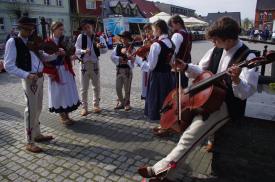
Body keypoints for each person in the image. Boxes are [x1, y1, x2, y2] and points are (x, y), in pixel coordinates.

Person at [138, 17, 259, 181]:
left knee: (190, 135)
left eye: (216, 40)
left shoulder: (248, 56)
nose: (213, 43)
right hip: (206, 98)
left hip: (226, 104)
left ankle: (159, 169)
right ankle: (168, 176)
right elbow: (202, 71)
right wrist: (186, 67)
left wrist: (236, 80)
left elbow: (246, 92)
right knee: (189, 135)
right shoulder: (216, 49)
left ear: (229, 40)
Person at [4, 17, 53, 153]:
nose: (30, 31)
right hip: (30, 79)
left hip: (40, 77)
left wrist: (55, 54)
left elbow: (42, 57)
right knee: (31, 109)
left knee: (38, 107)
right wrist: (26, 75)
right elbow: (8, 65)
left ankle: (37, 134)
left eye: (31, 28)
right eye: (27, 29)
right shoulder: (13, 42)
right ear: (20, 28)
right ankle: (29, 141)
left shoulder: (33, 41)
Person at [152, 15, 192, 137]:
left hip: (176, 69)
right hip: (185, 67)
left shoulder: (177, 35)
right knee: (181, 97)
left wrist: (168, 64)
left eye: (171, 25)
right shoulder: (188, 33)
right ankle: (177, 123)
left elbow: (171, 54)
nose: (171, 28)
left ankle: (170, 125)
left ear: (176, 23)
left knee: (173, 98)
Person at [135, 20, 175, 121]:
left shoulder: (156, 45)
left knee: (157, 100)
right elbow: (171, 62)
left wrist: (139, 60)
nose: (152, 33)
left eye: (153, 30)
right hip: (168, 76)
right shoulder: (171, 43)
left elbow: (150, 67)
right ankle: (167, 121)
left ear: (158, 29)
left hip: (157, 77)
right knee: (166, 99)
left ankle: (162, 122)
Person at [43, 22, 80, 125]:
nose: (61, 32)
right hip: (55, 70)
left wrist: (66, 53)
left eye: (62, 30)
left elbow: (71, 52)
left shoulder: (64, 40)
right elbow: (44, 58)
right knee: (58, 93)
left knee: (66, 92)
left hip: (65, 69)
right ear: (53, 29)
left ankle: (67, 115)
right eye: (60, 29)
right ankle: (63, 116)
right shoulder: (47, 42)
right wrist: (55, 54)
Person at [75, 19, 107, 116]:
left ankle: (96, 105)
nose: (87, 30)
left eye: (88, 27)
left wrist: (100, 47)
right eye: (85, 28)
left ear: (92, 27)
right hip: (84, 64)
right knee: (84, 88)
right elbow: (76, 50)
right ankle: (84, 108)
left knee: (96, 86)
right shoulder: (81, 37)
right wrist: (84, 51)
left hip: (94, 64)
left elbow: (105, 50)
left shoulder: (99, 37)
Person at [111, 31, 135, 111]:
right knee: (118, 88)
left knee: (127, 89)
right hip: (119, 70)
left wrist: (128, 59)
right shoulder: (118, 46)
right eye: (122, 38)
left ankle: (127, 103)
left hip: (127, 71)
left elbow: (133, 62)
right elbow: (112, 56)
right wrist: (119, 58)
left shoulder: (132, 48)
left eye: (125, 38)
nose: (123, 40)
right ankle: (122, 102)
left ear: (128, 39)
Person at [140, 23, 155, 100]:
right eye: (146, 31)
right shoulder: (146, 40)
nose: (147, 33)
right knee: (145, 82)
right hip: (146, 62)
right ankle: (146, 97)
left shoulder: (155, 40)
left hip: (152, 63)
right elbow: (143, 52)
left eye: (149, 31)